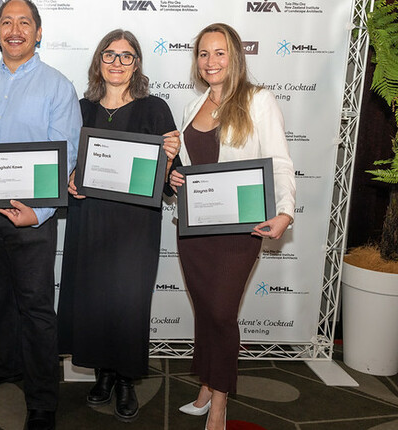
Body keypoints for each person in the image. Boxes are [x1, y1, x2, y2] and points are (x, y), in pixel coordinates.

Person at [0, 1, 81, 429]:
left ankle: (43, 399)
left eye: (23, 22)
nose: (14, 30)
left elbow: (66, 156)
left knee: (36, 307)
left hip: (32, 220)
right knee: (1, 297)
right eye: (6, 22)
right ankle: (8, 364)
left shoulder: (57, 87)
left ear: (39, 32)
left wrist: (41, 211)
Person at [168, 23, 296, 430]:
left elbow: (279, 162)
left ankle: (220, 401)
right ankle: (206, 386)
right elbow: (190, 168)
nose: (211, 61)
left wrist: (285, 212)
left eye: (219, 53)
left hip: (240, 230)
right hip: (195, 228)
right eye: (204, 54)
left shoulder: (258, 101)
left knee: (222, 313)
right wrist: (176, 179)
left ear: (235, 56)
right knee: (205, 310)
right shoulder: (193, 106)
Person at [57, 29, 181, 423]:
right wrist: (70, 181)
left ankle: (126, 379)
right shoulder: (79, 108)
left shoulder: (155, 108)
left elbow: (169, 177)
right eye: (109, 55)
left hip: (134, 226)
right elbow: (67, 165)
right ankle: (104, 374)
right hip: (90, 219)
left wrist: (171, 159)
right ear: (99, 61)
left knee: (128, 302)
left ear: (137, 64)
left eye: (126, 56)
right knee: (93, 299)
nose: (116, 63)